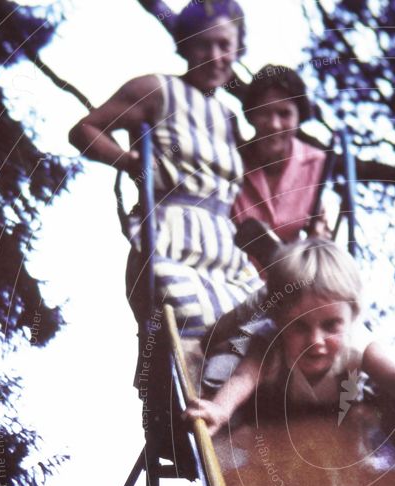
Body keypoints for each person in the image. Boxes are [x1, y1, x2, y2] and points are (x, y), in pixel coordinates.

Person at [68, 0, 265, 354]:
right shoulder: (156, 90)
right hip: (171, 238)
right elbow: (85, 130)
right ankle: (191, 406)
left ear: (238, 49)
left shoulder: (229, 118)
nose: (214, 55)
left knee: (263, 323)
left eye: (225, 45)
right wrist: (130, 162)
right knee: (193, 329)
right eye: (203, 43)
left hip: (224, 247)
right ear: (186, 44)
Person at [183, 239, 395, 437]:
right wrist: (219, 409)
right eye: (299, 326)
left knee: (362, 403)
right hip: (273, 405)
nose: (316, 341)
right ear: (280, 322)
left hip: (329, 409)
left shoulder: (359, 347)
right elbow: (243, 378)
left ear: (352, 316)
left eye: (331, 325)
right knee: (225, 360)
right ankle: (229, 324)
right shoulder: (270, 344)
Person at [232, 65, 331, 248]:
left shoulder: (316, 163)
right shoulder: (231, 160)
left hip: (290, 273)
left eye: (284, 113)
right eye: (264, 112)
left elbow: (319, 229)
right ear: (250, 115)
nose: (274, 125)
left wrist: (318, 237)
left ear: (299, 117)